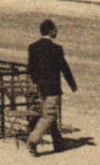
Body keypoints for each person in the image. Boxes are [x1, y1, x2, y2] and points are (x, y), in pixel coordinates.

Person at [25, 19, 78, 156]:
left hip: (40, 88)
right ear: (51, 31)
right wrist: (72, 84)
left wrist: (36, 82)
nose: (56, 32)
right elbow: (64, 68)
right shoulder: (57, 49)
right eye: (55, 30)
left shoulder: (33, 47)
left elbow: (30, 69)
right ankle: (33, 140)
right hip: (53, 89)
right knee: (50, 115)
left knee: (50, 114)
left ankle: (58, 143)